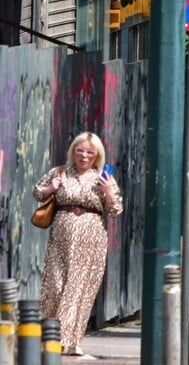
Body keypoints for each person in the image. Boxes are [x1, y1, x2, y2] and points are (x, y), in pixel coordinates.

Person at [35, 132, 123, 358]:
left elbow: (115, 210)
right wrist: (50, 189)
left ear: (97, 155)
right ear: (73, 151)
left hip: (90, 240)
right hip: (61, 239)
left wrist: (108, 192)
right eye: (80, 150)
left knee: (79, 289)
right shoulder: (59, 172)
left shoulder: (104, 178)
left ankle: (68, 340)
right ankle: (50, 335)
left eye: (90, 152)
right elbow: (37, 192)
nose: (84, 156)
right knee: (54, 287)